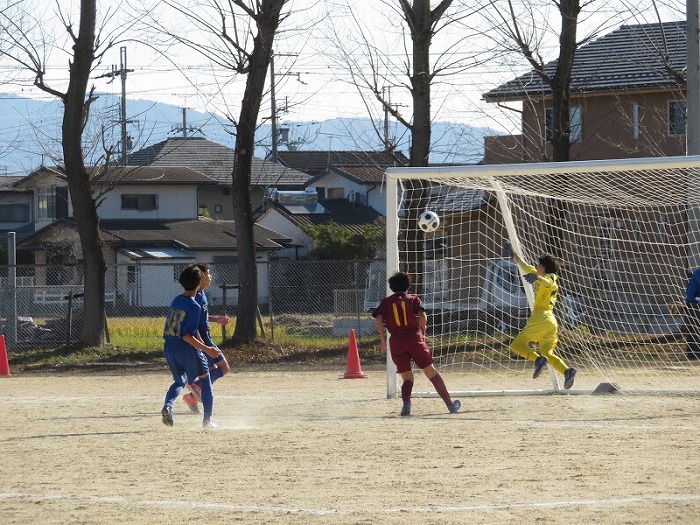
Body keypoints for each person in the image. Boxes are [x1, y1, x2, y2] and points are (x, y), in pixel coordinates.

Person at [373, 271, 461, 416]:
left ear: (392, 287)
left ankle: (406, 403)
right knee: (431, 373)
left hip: (396, 341)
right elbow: (422, 315)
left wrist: (383, 341)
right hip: (414, 338)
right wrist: (423, 327)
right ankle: (450, 405)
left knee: (407, 377)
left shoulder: (385, 302)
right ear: (408, 287)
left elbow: (378, 318)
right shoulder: (413, 299)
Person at [161, 265, 221, 428]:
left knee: (179, 380)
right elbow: (188, 335)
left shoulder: (176, 299)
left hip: (169, 346)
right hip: (185, 347)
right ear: (199, 282)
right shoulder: (194, 305)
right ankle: (207, 420)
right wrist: (207, 349)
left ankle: (168, 406)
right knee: (205, 377)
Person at [511, 252, 577, 389]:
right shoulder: (538, 273)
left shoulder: (550, 277)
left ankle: (537, 359)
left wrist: (538, 278)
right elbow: (525, 266)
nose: (535, 266)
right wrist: (514, 255)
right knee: (548, 353)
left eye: (537, 264)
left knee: (517, 345)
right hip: (551, 321)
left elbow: (547, 282)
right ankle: (567, 371)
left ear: (542, 266)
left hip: (540, 318)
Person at [183, 263, 231, 413]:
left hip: (205, 338)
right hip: (203, 340)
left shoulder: (201, 294)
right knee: (224, 368)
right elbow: (193, 321)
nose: (210, 276)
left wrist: (216, 319)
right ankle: (196, 386)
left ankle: (192, 396)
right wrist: (202, 344)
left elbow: (201, 317)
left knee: (212, 369)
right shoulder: (195, 296)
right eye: (208, 274)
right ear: (201, 277)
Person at [683, 268, 700, 360]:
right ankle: (694, 355)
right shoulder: (698, 274)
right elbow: (689, 297)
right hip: (697, 306)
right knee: (693, 310)